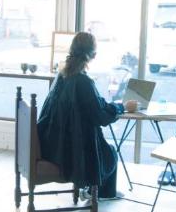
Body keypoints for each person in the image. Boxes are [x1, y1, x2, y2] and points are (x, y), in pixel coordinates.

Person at [37, 32, 138, 200]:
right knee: (110, 152)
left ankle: (94, 192)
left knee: (105, 148)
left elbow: (93, 106)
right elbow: (100, 117)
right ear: (93, 55)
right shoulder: (83, 81)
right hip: (69, 152)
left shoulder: (62, 76)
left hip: (52, 144)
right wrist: (122, 107)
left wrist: (112, 105)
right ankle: (103, 194)